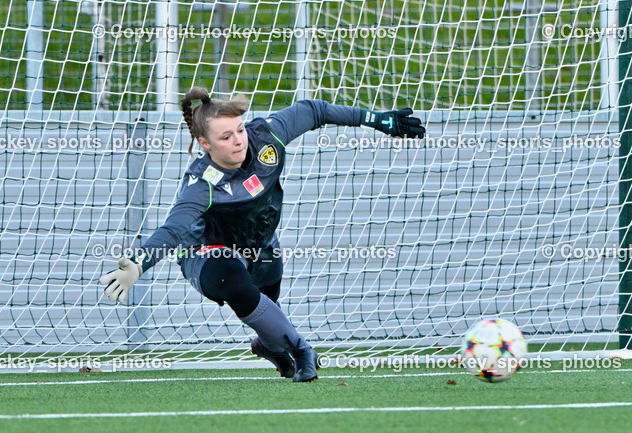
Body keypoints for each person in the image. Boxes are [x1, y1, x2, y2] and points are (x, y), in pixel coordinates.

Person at [99, 87, 425, 382]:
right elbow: (172, 230)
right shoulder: (201, 184)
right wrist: (138, 264)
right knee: (235, 284)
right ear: (205, 143)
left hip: (261, 245)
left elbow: (314, 110)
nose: (239, 140)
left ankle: (268, 346)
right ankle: (302, 351)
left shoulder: (267, 135)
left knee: (268, 314)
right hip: (206, 252)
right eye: (226, 137)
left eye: (240, 130)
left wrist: (376, 119)